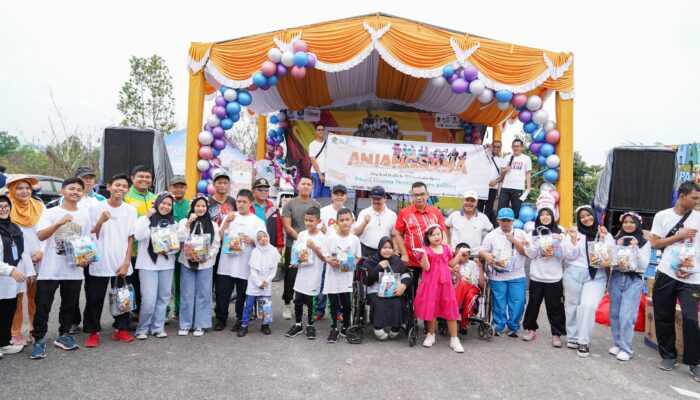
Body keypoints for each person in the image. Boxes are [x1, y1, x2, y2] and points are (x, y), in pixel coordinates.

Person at [31, 178, 92, 359]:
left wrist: (86, 259)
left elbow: (86, 239)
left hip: (73, 269)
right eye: (71, 188)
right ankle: (39, 339)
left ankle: (63, 335)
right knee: (43, 305)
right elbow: (41, 236)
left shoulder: (85, 214)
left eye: (79, 190)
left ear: (82, 193)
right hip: (50, 268)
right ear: (63, 191)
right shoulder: (50, 212)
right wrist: (59, 222)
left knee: (69, 305)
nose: (75, 192)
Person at [649, 181, 699, 380]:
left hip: (692, 276)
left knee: (690, 317)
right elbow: (655, 243)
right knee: (663, 315)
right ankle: (668, 355)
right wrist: (680, 235)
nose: (697, 202)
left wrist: (692, 269)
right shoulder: (663, 216)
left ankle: (695, 361)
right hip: (666, 273)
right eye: (694, 198)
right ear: (681, 196)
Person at [83, 174, 137, 348]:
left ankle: (120, 329)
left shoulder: (130, 210)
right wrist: (100, 221)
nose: (120, 189)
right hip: (99, 261)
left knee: (123, 298)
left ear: (128, 190)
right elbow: (91, 234)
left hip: (120, 261)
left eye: (124, 186)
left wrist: (127, 261)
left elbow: (130, 237)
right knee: (94, 298)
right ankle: (93, 332)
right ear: (109, 186)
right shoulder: (95, 207)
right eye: (117, 185)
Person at [561, 205, 614, 357]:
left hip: (596, 275)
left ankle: (583, 341)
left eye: (589, 215)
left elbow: (611, 257)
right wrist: (572, 240)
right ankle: (572, 337)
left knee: (588, 306)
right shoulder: (574, 232)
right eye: (582, 216)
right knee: (572, 305)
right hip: (574, 272)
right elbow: (568, 255)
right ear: (579, 219)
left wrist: (604, 240)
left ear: (594, 215)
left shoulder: (604, 233)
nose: (586, 218)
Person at [215, 189, 266, 332]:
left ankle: (240, 319)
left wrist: (253, 240)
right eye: (238, 201)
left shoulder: (257, 221)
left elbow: (263, 242)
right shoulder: (230, 217)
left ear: (251, 203)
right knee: (222, 292)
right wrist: (226, 223)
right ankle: (221, 318)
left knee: (242, 293)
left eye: (244, 202)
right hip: (226, 263)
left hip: (245, 264)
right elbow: (218, 237)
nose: (241, 204)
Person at [6, 175, 45, 347]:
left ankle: (33, 330)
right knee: (15, 298)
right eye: (20, 188)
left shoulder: (39, 206)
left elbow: (46, 233)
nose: (24, 191)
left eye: (27, 188)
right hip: (16, 262)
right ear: (12, 190)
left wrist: (41, 253)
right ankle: (14, 332)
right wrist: (26, 259)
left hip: (39, 259)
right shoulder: (6, 208)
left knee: (35, 297)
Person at [134, 192, 178, 340]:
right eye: (163, 203)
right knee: (148, 299)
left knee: (163, 298)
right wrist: (146, 216)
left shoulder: (173, 223)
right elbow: (138, 236)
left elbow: (176, 246)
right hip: (147, 265)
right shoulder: (145, 220)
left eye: (169, 204)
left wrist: (170, 248)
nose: (165, 206)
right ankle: (142, 328)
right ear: (157, 203)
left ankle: (157, 327)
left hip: (166, 264)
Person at [67, 167, 106, 333]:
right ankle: (73, 320)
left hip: (93, 248)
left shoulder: (101, 199)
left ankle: (90, 319)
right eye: (84, 178)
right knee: (72, 286)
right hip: (72, 248)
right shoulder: (67, 199)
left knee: (92, 287)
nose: (87, 180)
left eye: (91, 178)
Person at [608, 212, 651, 361]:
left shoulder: (644, 243)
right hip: (616, 278)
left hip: (634, 280)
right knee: (614, 313)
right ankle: (618, 343)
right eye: (625, 222)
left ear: (638, 224)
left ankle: (626, 348)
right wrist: (615, 247)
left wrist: (636, 249)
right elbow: (609, 261)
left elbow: (643, 265)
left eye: (631, 222)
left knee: (627, 315)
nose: (628, 224)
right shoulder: (617, 240)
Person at [478, 208, 528, 337]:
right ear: (497, 220)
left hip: (517, 274)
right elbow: (482, 251)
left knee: (518, 301)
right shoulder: (492, 235)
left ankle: (513, 326)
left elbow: (525, 252)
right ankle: (498, 324)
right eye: (503, 220)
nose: (505, 223)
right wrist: (487, 255)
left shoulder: (521, 233)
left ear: (513, 221)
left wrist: (513, 240)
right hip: (497, 275)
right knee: (499, 302)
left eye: (508, 220)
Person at [414, 225, 463, 353]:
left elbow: (451, 264)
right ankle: (431, 335)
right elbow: (426, 268)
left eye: (438, 234)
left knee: (451, 310)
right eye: (433, 235)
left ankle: (454, 339)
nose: (437, 237)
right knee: (432, 310)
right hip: (431, 285)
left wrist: (460, 254)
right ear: (428, 237)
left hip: (446, 284)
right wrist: (424, 255)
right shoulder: (425, 249)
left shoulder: (446, 249)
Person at [522, 207, 567, 347]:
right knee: (533, 305)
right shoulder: (533, 233)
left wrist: (559, 243)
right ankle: (531, 330)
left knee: (556, 307)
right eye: (542, 215)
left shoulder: (560, 231)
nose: (545, 217)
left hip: (554, 277)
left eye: (548, 214)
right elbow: (531, 255)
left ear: (552, 217)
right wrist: (529, 246)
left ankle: (556, 335)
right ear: (538, 217)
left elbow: (564, 256)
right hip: (537, 276)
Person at [177, 195, 221, 337]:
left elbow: (216, 244)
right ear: (192, 207)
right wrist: (189, 223)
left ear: (207, 208)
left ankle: (200, 324)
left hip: (205, 264)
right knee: (187, 293)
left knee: (204, 293)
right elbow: (179, 238)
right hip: (187, 263)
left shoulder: (213, 224)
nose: (200, 208)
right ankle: (185, 324)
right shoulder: (185, 221)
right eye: (197, 206)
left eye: (203, 206)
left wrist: (206, 256)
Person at [281, 176, 321, 319]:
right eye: (303, 184)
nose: (306, 186)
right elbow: (287, 226)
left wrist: (310, 244)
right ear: (298, 186)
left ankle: (304, 304)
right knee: (290, 276)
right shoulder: (290, 204)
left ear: (312, 188)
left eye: (309, 184)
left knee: (307, 276)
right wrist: (302, 242)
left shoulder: (316, 204)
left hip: (312, 248)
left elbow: (318, 225)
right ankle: (287, 303)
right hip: (294, 247)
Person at [0, 194, 35, 357]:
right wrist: (10, 270)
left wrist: (30, 271)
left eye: (6, 206)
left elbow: (23, 251)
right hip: (6, 275)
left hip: (14, 279)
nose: (3, 209)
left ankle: (4, 343)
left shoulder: (14, 228)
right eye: (0, 207)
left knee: (8, 309)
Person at [285, 206, 326, 340]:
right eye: (306, 220)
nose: (308, 223)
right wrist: (295, 262)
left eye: (311, 221)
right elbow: (297, 252)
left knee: (310, 302)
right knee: (298, 300)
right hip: (302, 274)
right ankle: (298, 325)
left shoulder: (322, 237)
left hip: (314, 275)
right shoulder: (302, 234)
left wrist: (314, 247)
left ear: (318, 221)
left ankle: (310, 325)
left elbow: (323, 258)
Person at [322, 208, 361, 343]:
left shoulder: (355, 239)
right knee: (333, 303)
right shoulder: (331, 238)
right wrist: (330, 262)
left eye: (347, 220)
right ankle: (333, 329)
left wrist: (351, 265)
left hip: (346, 278)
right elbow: (325, 256)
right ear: (337, 222)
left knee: (347, 303)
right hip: (332, 277)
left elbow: (357, 257)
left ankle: (345, 327)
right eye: (342, 220)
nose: (345, 223)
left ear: (352, 221)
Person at [393, 182, 446, 283]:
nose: (419, 198)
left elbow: (442, 233)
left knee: (430, 291)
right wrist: (404, 254)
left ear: (427, 194)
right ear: (412, 196)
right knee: (411, 292)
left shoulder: (436, 212)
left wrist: (443, 254)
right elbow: (398, 235)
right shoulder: (404, 212)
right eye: (416, 195)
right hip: (411, 261)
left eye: (422, 194)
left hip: (432, 261)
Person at [315, 184, 352, 321]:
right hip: (326, 253)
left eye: (342, 194)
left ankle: (338, 312)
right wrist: (322, 232)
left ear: (345, 197)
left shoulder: (348, 212)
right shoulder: (324, 211)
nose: (339, 197)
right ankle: (319, 310)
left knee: (338, 283)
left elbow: (350, 233)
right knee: (323, 281)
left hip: (341, 254)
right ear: (331, 196)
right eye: (336, 194)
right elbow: (316, 230)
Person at [124, 165, 156, 321]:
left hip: (149, 252)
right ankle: (127, 316)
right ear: (132, 178)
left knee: (144, 286)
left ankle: (142, 315)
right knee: (129, 285)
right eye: (140, 176)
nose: (144, 179)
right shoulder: (126, 196)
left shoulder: (155, 198)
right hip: (129, 252)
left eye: (148, 177)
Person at [364, 237, 411, 340]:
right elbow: (368, 281)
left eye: (390, 248)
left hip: (393, 289)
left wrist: (403, 285)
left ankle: (396, 327)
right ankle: (378, 327)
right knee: (379, 302)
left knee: (398, 301)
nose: (387, 250)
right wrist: (379, 267)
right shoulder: (370, 261)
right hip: (375, 290)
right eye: (384, 247)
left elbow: (405, 275)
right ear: (379, 248)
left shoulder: (396, 261)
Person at [238, 230, 280, 337]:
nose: (263, 239)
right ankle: (244, 325)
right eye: (260, 238)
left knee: (266, 305)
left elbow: (273, 269)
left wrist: (267, 281)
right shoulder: (255, 252)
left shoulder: (273, 251)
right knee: (248, 305)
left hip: (266, 283)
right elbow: (253, 271)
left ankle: (265, 325)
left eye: (264, 236)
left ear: (268, 236)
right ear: (257, 240)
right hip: (254, 284)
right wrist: (258, 283)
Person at [166, 176, 190, 320]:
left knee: (182, 281)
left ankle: (179, 309)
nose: (178, 189)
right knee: (166, 283)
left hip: (185, 249)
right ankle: (164, 312)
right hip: (167, 249)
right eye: (175, 186)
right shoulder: (166, 203)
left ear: (186, 188)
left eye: (181, 186)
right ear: (170, 188)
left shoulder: (190, 204)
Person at [353, 185, 397, 258]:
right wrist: (364, 223)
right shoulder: (364, 212)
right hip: (365, 251)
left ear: (385, 198)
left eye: (378, 199)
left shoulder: (392, 215)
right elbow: (356, 233)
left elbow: (394, 236)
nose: (376, 201)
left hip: (384, 252)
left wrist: (394, 250)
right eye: (374, 198)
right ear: (370, 199)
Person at [451, 243, 483, 334]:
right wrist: (453, 273)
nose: (461, 257)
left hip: (472, 287)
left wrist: (480, 267)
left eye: (464, 255)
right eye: (459, 255)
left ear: (469, 255)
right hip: (456, 288)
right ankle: (459, 319)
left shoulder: (473, 264)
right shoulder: (452, 263)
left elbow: (479, 283)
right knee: (464, 289)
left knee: (465, 287)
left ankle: (456, 314)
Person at [497, 139, 532, 220]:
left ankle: (514, 227)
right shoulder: (507, 157)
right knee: (501, 207)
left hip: (518, 188)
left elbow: (528, 173)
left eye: (518, 146)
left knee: (516, 209)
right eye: (514, 146)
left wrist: (529, 187)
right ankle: (498, 226)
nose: (516, 148)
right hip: (506, 186)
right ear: (512, 147)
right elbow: (502, 172)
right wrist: (505, 170)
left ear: (521, 147)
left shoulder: (526, 158)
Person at [479, 141, 504, 225]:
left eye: (498, 147)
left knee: (488, 209)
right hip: (482, 187)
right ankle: (477, 224)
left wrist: (496, 181)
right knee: (479, 207)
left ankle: (485, 225)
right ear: (491, 146)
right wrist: (485, 147)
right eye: (494, 146)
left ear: (500, 148)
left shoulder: (501, 160)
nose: (496, 148)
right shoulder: (484, 156)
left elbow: (502, 176)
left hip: (492, 188)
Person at [309, 123, 330, 198]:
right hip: (316, 173)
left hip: (327, 173)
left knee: (325, 195)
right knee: (316, 193)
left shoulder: (328, 144)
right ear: (316, 132)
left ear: (324, 131)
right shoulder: (312, 144)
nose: (321, 131)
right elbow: (313, 160)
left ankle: (323, 209)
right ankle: (314, 209)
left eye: (322, 130)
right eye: (319, 130)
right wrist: (320, 174)